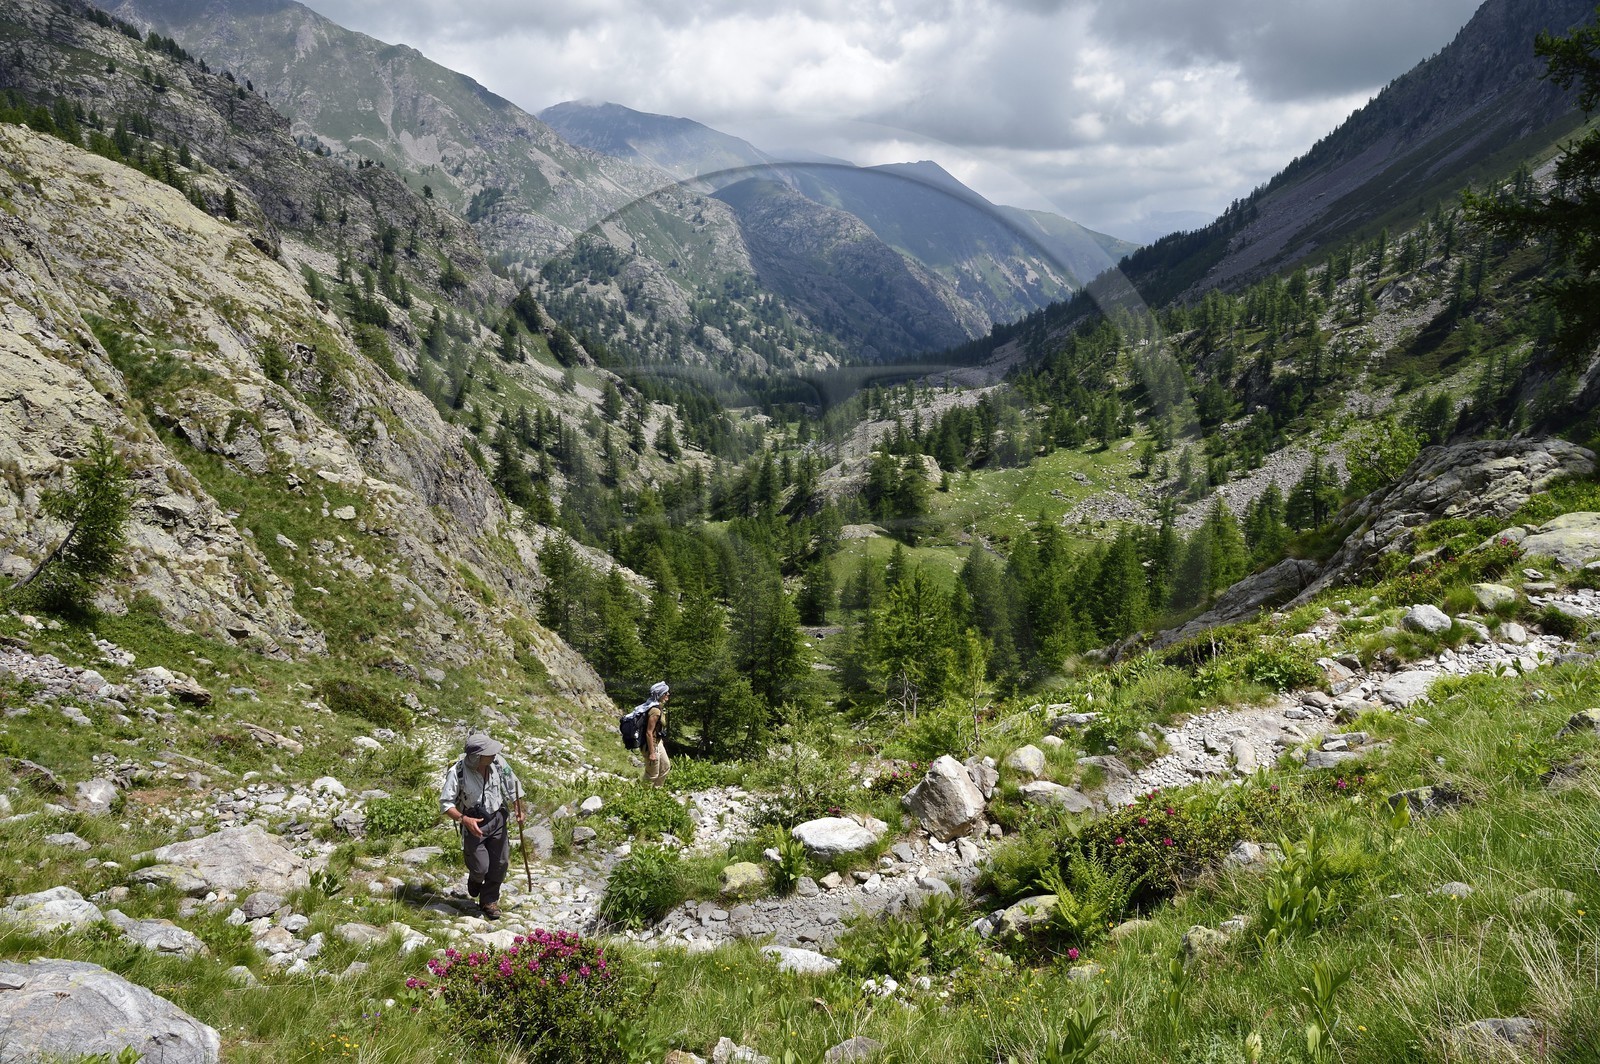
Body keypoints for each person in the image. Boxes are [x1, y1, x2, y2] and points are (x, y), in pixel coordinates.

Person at [439, 732, 524, 921]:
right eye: (489, 752)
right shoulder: (457, 772)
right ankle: (475, 879)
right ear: (476, 756)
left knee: (500, 863)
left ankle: (489, 901)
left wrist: (518, 807)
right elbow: (446, 805)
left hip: (498, 818)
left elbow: (513, 785)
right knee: (480, 867)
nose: (494, 754)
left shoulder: (498, 763)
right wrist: (464, 819)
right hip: (473, 823)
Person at [642, 680, 670, 788]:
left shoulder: (657, 706)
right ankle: (641, 796)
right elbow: (649, 732)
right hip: (651, 745)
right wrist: (652, 753)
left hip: (658, 742)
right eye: (665, 693)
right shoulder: (655, 710)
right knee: (652, 774)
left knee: (665, 766)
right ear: (660, 695)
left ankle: (656, 792)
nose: (668, 694)